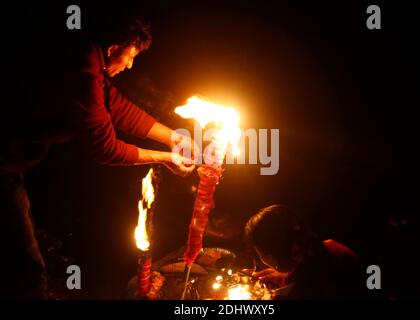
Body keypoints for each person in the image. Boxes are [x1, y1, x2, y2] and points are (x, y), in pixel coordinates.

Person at [0, 16, 198, 299]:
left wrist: (173, 137)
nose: (131, 65)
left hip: (14, 160)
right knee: (26, 265)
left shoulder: (90, 61)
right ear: (114, 48)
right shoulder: (83, 75)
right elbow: (105, 147)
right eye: (131, 55)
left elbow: (117, 108)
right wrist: (166, 157)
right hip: (3, 163)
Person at [244, 204, 366, 299]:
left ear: (274, 254)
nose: (263, 260)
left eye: (262, 254)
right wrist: (289, 273)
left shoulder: (299, 291)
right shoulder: (330, 246)